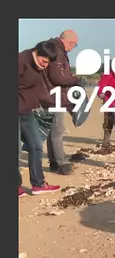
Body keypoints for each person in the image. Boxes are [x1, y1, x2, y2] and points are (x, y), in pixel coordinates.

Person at [18, 40, 62, 197]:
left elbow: (43, 86)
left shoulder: (41, 66)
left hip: (26, 112)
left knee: (36, 145)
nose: (44, 65)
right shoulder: (20, 61)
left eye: (47, 63)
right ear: (35, 52)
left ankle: (38, 184)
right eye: (43, 61)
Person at [46, 30, 80, 175]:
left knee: (52, 130)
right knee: (58, 130)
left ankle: (54, 161)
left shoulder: (52, 48)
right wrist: (75, 80)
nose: (73, 48)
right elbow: (57, 78)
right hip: (54, 97)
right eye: (74, 45)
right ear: (70, 42)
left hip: (48, 95)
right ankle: (61, 163)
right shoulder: (57, 51)